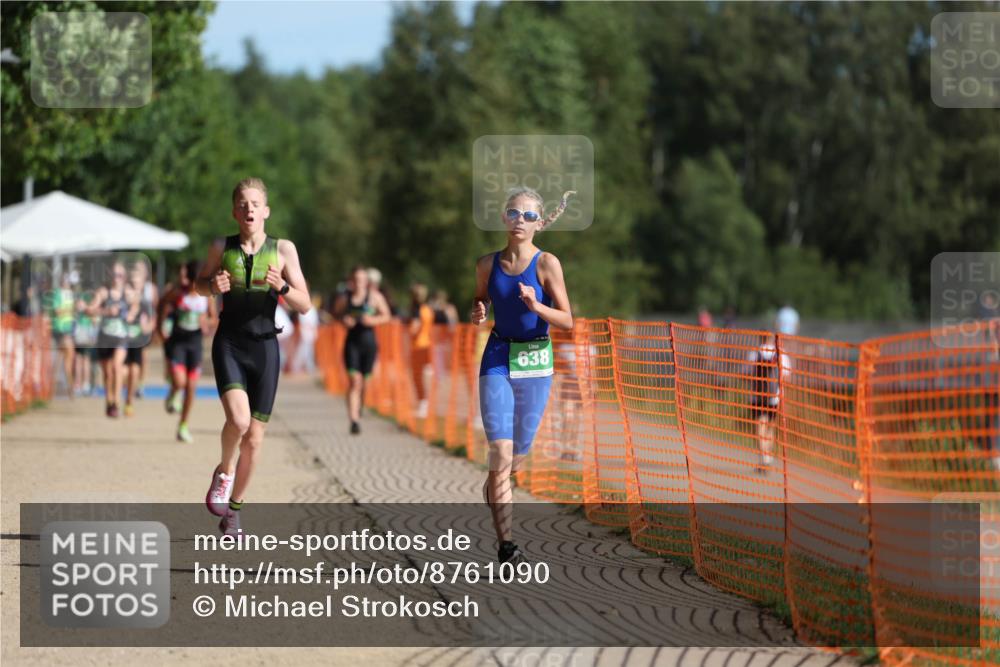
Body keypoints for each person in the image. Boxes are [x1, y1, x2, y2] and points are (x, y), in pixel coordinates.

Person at [195, 178, 311, 536]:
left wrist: (283, 287)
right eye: (243, 204)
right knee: (240, 422)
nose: (249, 209)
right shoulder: (220, 247)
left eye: (255, 204)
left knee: (256, 438)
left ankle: (234, 509)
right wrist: (211, 286)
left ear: (266, 211)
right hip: (229, 341)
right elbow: (199, 284)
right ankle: (225, 472)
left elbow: (305, 304)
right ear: (234, 211)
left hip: (265, 347)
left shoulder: (283, 250)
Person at [472, 187, 575, 566]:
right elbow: (480, 297)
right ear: (504, 217)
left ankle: (498, 492)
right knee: (499, 451)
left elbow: (567, 319)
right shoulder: (486, 263)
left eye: (529, 216)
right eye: (514, 213)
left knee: (514, 462)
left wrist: (536, 306)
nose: (520, 221)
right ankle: (507, 546)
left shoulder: (547, 264)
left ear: (539, 224)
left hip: (535, 361)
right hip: (498, 356)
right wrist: (479, 309)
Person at [158, 261, 217, 443]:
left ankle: (183, 425)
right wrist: (162, 325)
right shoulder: (178, 293)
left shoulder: (206, 296)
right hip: (178, 342)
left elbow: (214, 318)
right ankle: (173, 392)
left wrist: (206, 323)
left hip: (195, 344)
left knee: (191, 388)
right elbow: (162, 304)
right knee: (180, 382)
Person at [333, 265, 392, 434]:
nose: (359, 283)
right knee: (354, 381)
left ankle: (359, 408)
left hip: (369, 344)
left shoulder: (374, 297)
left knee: (365, 383)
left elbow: (387, 315)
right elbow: (336, 314)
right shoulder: (345, 298)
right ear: (351, 281)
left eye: (362, 280)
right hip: (352, 344)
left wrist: (372, 320)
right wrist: (344, 319)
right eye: (355, 280)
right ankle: (354, 420)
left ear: (366, 281)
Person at [85, 260, 137, 418]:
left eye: (120, 275)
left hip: (121, 336)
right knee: (107, 373)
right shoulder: (103, 292)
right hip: (105, 338)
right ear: (109, 275)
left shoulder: (127, 292)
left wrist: (131, 314)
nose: (117, 278)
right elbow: (89, 310)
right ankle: (109, 401)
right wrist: (106, 311)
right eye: (114, 275)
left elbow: (136, 304)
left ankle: (117, 403)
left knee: (116, 366)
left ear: (124, 277)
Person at [745, 332, 791, 473]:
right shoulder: (781, 354)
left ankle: (764, 458)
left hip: (757, 396)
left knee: (760, 427)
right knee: (770, 428)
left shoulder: (754, 353)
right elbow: (787, 377)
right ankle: (768, 458)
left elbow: (746, 373)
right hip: (774, 397)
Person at [123, 262, 155, 417]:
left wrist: (148, 327)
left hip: (137, 338)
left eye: (139, 277)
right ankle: (118, 396)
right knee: (122, 369)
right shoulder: (123, 294)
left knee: (134, 368)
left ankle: (129, 400)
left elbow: (152, 316)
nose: (136, 280)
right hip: (121, 337)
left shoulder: (147, 296)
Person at [46, 273, 77, 397]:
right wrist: (70, 310)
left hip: (68, 330)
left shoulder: (70, 295)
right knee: (61, 360)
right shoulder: (58, 294)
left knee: (65, 361)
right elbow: (57, 311)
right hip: (60, 331)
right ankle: (61, 388)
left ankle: (68, 388)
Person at [409, 283, 435, 419]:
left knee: (417, 376)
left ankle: (423, 404)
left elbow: (414, 327)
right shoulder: (427, 309)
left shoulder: (416, 310)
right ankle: (424, 404)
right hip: (428, 344)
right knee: (425, 376)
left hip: (418, 346)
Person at [288, 293, 321, 375]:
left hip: (310, 334)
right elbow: (303, 323)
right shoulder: (303, 309)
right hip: (305, 333)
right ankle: (297, 367)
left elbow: (314, 323)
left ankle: (308, 366)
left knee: (309, 351)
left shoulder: (313, 309)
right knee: (302, 351)